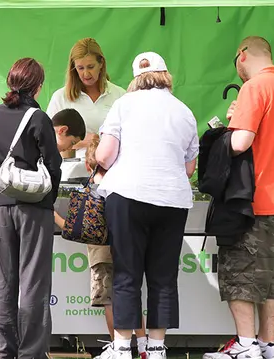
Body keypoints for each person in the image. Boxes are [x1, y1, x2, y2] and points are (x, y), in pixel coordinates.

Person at [203, 36, 274, 359]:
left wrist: (226, 132)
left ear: (242, 55)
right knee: (272, 278)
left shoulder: (255, 87)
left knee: (240, 276)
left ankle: (246, 345)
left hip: (254, 200)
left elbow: (240, 143)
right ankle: (267, 343)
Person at [94, 51, 198, 359]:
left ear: (137, 78)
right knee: (163, 275)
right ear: (166, 76)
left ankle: (123, 347)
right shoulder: (184, 111)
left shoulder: (123, 105)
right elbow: (189, 168)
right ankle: (156, 348)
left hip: (128, 196)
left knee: (127, 272)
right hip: (172, 200)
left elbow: (104, 156)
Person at [0, 57, 63, 359]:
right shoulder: (38, 118)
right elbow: (54, 165)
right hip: (35, 209)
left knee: (2, 282)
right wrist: (47, 197)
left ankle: (2, 351)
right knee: (34, 283)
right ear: (38, 86)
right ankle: (31, 354)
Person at [53, 134, 148, 359]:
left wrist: (55, 217)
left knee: (109, 302)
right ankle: (144, 346)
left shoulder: (92, 193)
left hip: (102, 256)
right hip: (129, 251)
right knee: (131, 297)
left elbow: (80, 229)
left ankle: (118, 347)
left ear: (88, 165)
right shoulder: (124, 189)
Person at [47, 37, 127, 181]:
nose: (86, 74)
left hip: (111, 176)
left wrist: (99, 142)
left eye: (90, 67)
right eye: (80, 68)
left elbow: (128, 137)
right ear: (73, 68)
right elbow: (47, 140)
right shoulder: (61, 97)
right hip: (70, 176)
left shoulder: (119, 95)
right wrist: (82, 141)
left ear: (101, 63)